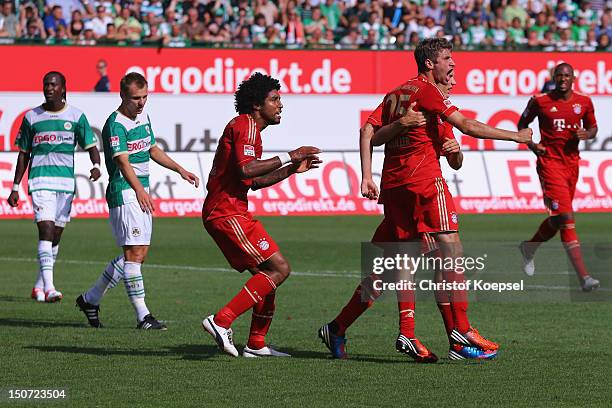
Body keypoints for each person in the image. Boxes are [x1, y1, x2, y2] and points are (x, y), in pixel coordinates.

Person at [319, 38, 532, 361]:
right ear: (430, 64)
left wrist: (368, 175)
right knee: (450, 249)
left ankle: (339, 328)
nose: (454, 68)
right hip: (423, 186)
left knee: (391, 269)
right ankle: (458, 330)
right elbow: (467, 125)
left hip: (395, 190)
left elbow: (370, 133)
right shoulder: (428, 94)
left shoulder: (398, 96)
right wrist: (516, 136)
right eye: (448, 61)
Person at [201, 73, 321, 358]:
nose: (280, 105)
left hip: (228, 210)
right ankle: (221, 321)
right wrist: (291, 155)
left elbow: (253, 181)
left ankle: (256, 343)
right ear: (257, 104)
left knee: (267, 276)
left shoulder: (249, 130)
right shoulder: (246, 126)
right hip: (227, 212)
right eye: (274, 99)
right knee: (279, 269)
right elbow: (246, 169)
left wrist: (292, 169)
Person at [75, 72, 199, 329]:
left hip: (139, 190)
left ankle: (91, 299)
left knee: (137, 254)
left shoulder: (142, 117)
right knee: (134, 254)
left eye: (144, 97)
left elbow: (152, 149)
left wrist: (180, 169)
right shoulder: (115, 124)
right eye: (135, 98)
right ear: (122, 96)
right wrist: (139, 191)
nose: (141, 103)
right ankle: (143, 316)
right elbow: (122, 161)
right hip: (124, 191)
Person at [8, 71, 101, 303]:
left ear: (63, 88)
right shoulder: (31, 117)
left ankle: (39, 285)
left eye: (53, 84)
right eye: (46, 84)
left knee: (56, 236)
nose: (48, 88)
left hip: (65, 183)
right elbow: (23, 154)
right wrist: (15, 186)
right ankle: (50, 288)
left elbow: (90, 145)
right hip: (40, 181)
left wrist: (97, 165)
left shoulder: (76, 116)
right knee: (46, 230)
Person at [518, 63, 599, 292]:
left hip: (572, 165)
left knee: (557, 220)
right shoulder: (540, 101)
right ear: (554, 77)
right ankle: (584, 278)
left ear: (573, 78)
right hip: (549, 164)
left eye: (566, 75)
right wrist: (533, 146)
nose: (563, 79)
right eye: (559, 75)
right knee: (566, 215)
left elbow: (593, 128)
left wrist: (587, 134)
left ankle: (529, 248)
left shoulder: (584, 102)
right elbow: (522, 126)